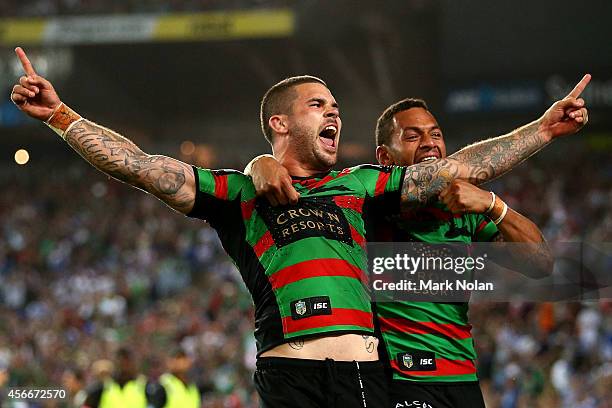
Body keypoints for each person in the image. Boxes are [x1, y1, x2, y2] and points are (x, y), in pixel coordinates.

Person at [10, 46, 589, 407]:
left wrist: (542, 128)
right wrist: (60, 116)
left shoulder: (363, 185)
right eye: (319, 104)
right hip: (290, 371)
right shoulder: (236, 193)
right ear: (279, 123)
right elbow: (140, 167)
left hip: (367, 369)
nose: (334, 111)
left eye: (336, 105)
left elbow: (459, 170)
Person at [247, 97, 555, 408]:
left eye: (435, 134)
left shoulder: (466, 208)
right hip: (397, 381)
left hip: (462, 378)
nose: (428, 144)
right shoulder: (360, 204)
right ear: (384, 156)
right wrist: (260, 162)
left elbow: (542, 263)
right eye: (412, 136)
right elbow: (296, 182)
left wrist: (492, 204)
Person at [83, 348, 147, 408]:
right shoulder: (102, 387)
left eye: (127, 363)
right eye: (122, 362)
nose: (124, 367)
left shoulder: (145, 386)